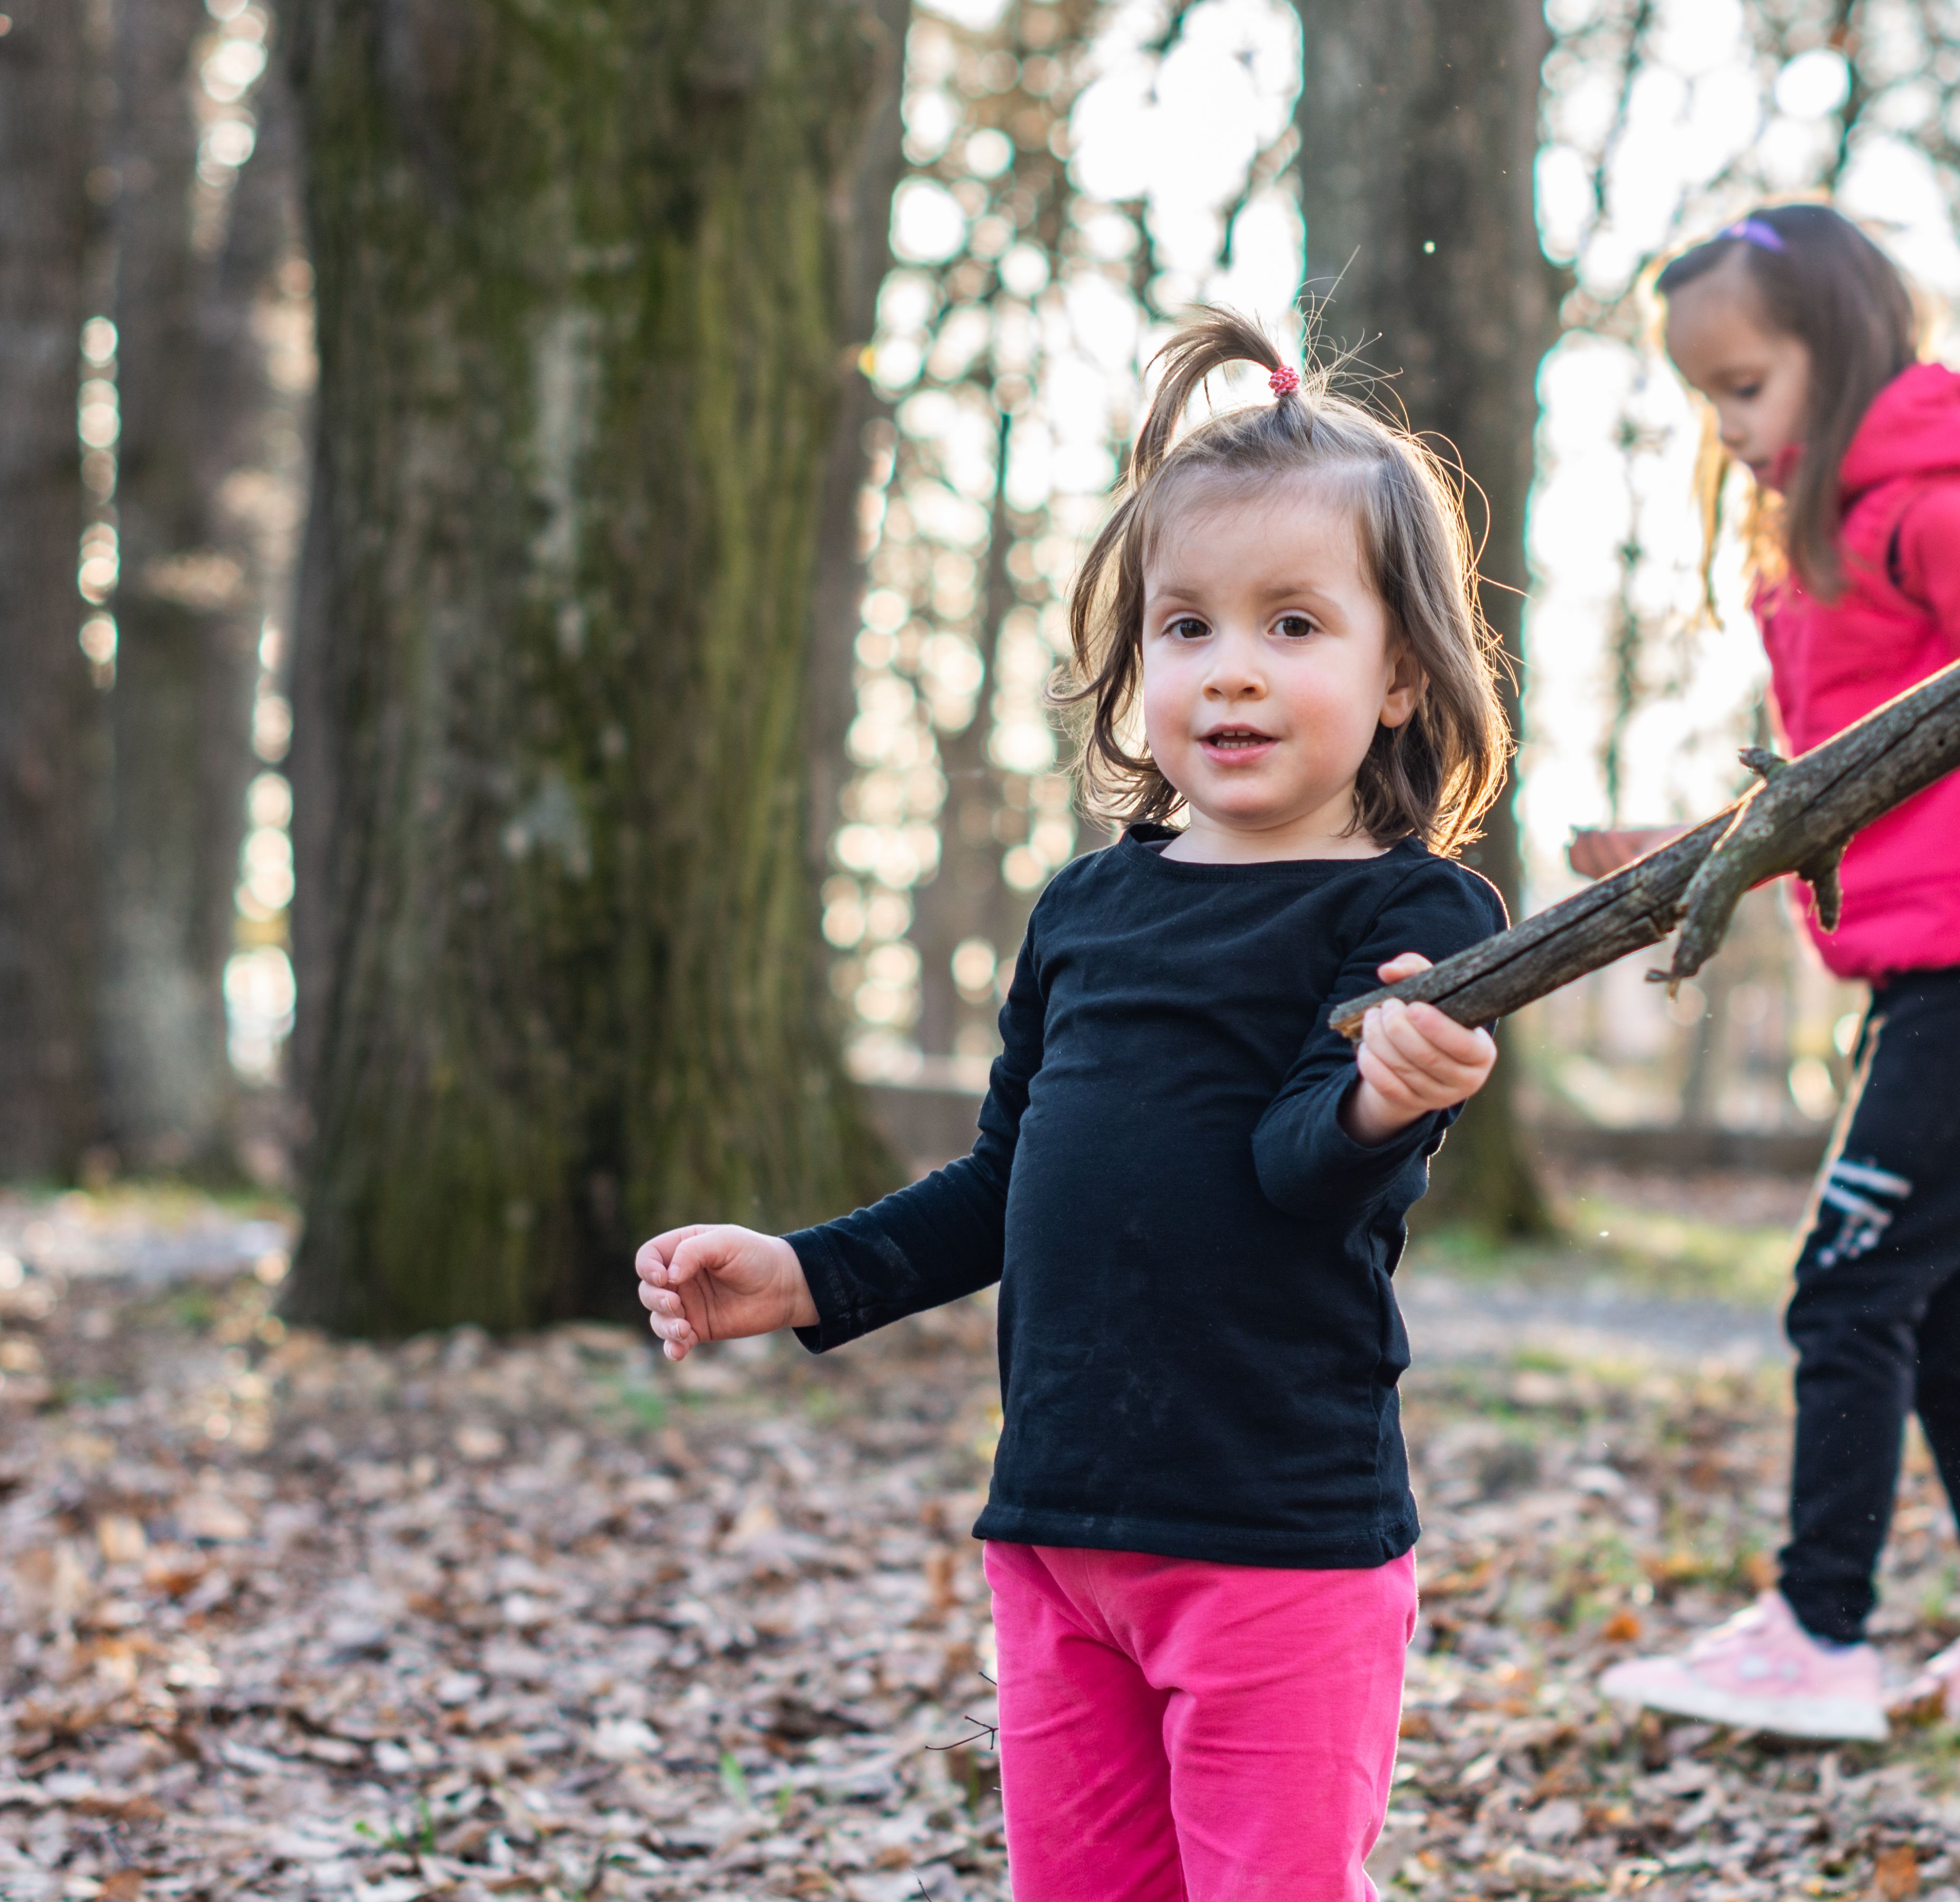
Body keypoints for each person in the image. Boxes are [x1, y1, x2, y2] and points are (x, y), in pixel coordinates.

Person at [633, 309, 1512, 1901]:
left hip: (1274, 1543)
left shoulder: (1414, 917)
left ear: (1400, 677)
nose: (1231, 668)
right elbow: (1002, 1180)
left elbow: (1299, 1172)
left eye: (1295, 626)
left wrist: (1390, 1100)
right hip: (1055, 1528)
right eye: (1188, 627)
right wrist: (813, 1272)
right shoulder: (1089, 907)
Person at [1584, 204, 1960, 1741]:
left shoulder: (1940, 517)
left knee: (1846, 1289)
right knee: (1937, 1318)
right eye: (1706, 395)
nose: (1729, 423)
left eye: (1748, 383)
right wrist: (1691, 844)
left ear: (1836, 353)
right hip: (1916, 981)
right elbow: (1839, 788)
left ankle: (1820, 1630)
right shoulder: (1820, 552)